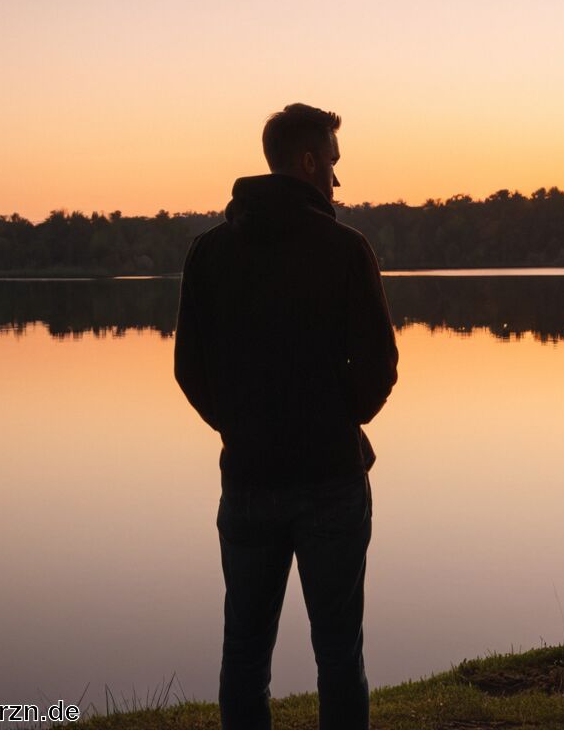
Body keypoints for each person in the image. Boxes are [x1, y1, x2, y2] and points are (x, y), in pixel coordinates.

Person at [174, 103, 399, 729]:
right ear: (306, 161)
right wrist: (337, 421)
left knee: (244, 651)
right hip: (331, 479)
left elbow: (189, 370)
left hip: (247, 479)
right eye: (331, 162)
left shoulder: (208, 252)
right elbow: (380, 366)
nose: (336, 178)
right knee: (338, 653)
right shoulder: (346, 248)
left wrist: (242, 426)